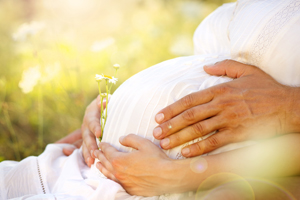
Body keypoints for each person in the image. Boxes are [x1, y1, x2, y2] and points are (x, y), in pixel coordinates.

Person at [1, 0, 300, 199]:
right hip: (87, 168)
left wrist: (178, 175)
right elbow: (211, 70)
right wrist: (115, 105)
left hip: (152, 186)